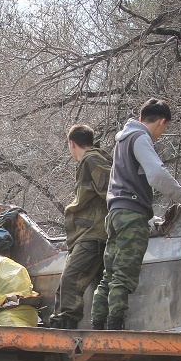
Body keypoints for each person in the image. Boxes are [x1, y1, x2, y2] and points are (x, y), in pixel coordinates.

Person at [91, 99, 181, 330]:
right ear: (161, 122)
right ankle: (115, 327)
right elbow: (157, 175)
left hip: (115, 213)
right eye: (165, 128)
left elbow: (124, 181)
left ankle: (97, 325)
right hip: (131, 216)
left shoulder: (122, 140)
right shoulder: (140, 138)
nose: (161, 134)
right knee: (124, 275)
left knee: (109, 274)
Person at [49, 124, 111, 330]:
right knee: (98, 283)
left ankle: (66, 324)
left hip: (92, 234)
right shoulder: (95, 159)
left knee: (70, 279)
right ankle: (101, 324)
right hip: (96, 233)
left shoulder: (91, 160)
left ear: (72, 143)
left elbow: (111, 189)